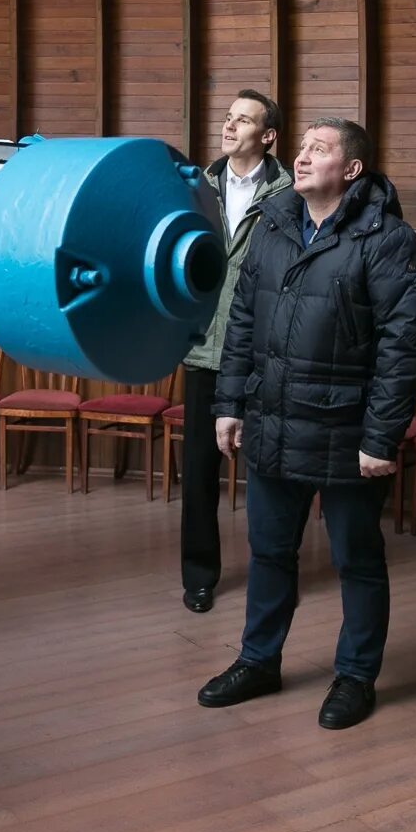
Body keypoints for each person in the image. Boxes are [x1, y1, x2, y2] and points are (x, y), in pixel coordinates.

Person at [195, 119, 416, 730]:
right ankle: (258, 661)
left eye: (317, 150)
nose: (300, 158)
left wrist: (382, 437)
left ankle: (356, 676)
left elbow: (402, 349)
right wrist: (229, 404)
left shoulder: (387, 239)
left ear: (351, 169)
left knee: (357, 558)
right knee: (270, 552)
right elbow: (242, 323)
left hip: (349, 431)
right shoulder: (274, 226)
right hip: (274, 420)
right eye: (300, 147)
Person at [179, 90, 293, 613]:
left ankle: (275, 571)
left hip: (263, 354)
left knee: (270, 471)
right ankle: (199, 575)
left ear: (267, 136)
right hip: (205, 350)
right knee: (199, 472)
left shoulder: (289, 193)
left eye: (242, 120)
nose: (228, 127)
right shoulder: (194, 188)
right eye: (226, 118)